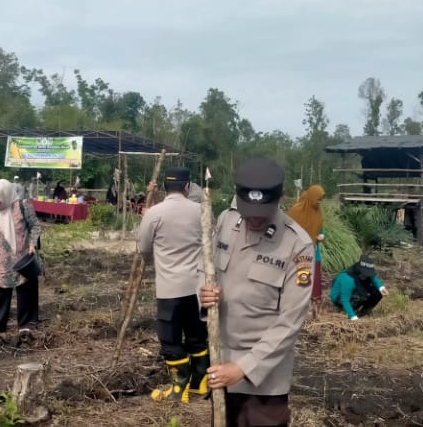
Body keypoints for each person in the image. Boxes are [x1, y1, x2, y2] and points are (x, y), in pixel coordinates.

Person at [199, 158, 313, 426]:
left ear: (280, 197)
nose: (254, 219)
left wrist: (243, 368)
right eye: (248, 211)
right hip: (220, 360)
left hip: (264, 379)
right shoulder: (227, 221)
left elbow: (290, 322)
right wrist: (203, 294)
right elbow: (204, 267)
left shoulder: (297, 245)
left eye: (262, 213)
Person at [136, 166, 209, 404]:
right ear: (187, 187)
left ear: (166, 188)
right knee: (197, 336)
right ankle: (200, 383)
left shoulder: (154, 214)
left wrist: (154, 261)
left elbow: (144, 248)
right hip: (198, 286)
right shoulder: (201, 210)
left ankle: (179, 388)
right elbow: (212, 242)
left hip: (169, 288)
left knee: (170, 339)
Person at [0, 180, 41, 336]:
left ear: (5, 196)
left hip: (23, 254)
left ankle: (26, 324)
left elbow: (35, 225)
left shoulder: (22, 206)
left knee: (26, 289)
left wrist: (33, 243)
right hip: (2, 257)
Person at [287, 186, 325, 309]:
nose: (320, 201)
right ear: (312, 197)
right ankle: (299, 305)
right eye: (318, 198)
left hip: (314, 250)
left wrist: (322, 235)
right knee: (301, 277)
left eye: (322, 199)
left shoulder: (318, 212)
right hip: (298, 252)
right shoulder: (295, 211)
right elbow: (287, 230)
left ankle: (313, 305)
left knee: (314, 276)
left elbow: (321, 229)